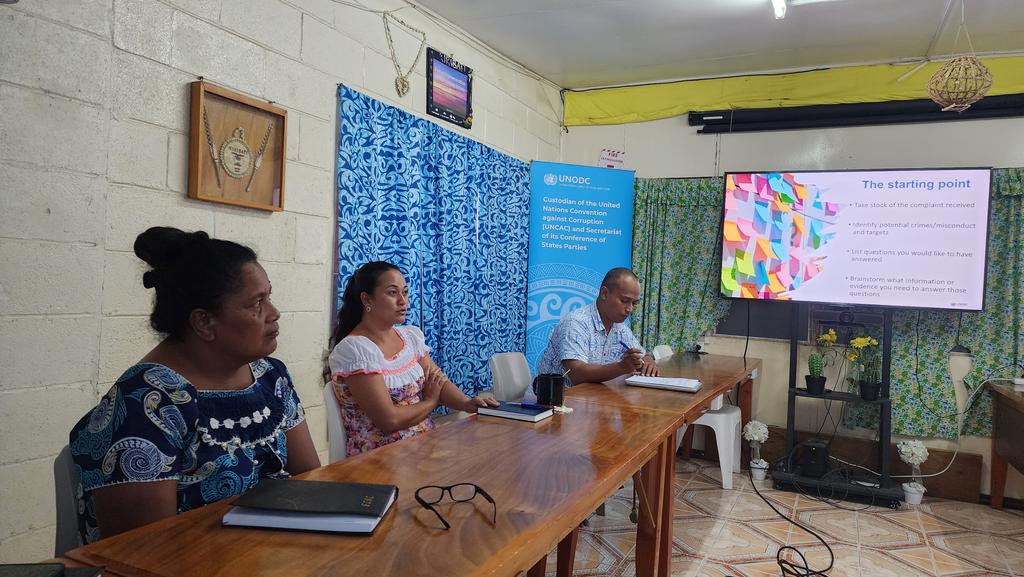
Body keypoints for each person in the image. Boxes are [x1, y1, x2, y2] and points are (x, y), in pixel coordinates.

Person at [68, 227, 320, 544]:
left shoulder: (270, 376)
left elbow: (309, 481)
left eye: (269, 297)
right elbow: (142, 552)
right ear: (204, 322)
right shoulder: (147, 403)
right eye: (256, 303)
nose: (274, 313)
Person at [327, 261, 499, 456]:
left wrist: (467, 404)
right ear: (367, 300)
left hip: (422, 445)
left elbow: (436, 380)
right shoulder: (356, 349)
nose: (403, 301)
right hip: (380, 457)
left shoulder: (409, 337)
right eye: (392, 293)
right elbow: (389, 420)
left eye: (405, 292)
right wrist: (430, 402)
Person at [537, 267, 659, 385]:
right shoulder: (576, 323)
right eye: (624, 301)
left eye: (634, 303)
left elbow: (642, 355)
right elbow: (577, 375)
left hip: (592, 398)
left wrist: (648, 362)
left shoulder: (620, 327)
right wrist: (621, 367)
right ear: (604, 293)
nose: (630, 309)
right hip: (555, 400)